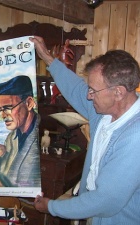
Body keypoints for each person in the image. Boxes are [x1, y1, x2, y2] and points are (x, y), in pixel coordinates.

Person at [30, 36, 140, 225]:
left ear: (119, 92)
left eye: (94, 91)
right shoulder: (105, 111)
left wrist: (51, 207)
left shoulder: (134, 137)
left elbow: (105, 202)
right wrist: (47, 58)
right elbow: (76, 89)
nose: (88, 96)